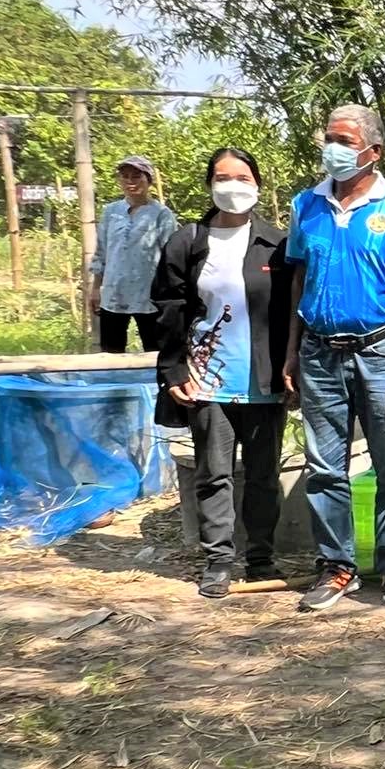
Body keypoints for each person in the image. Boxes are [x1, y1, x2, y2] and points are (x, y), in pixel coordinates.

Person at [283, 103, 385, 612]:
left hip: (383, 349)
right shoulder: (307, 205)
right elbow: (298, 280)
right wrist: (291, 352)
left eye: (345, 140)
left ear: (374, 151)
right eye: (330, 138)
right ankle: (336, 566)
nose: (334, 149)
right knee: (325, 466)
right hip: (319, 351)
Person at [152, 148, 291, 598]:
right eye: (223, 177)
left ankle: (261, 557)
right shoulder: (187, 240)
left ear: (257, 184)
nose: (233, 186)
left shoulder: (279, 244)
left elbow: (292, 313)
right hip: (207, 377)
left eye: (242, 177)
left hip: (264, 379)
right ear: (210, 184)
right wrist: (173, 370)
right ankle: (218, 560)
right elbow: (168, 309)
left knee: (264, 474)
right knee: (214, 472)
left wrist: (295, 371)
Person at [89, 155, 178, 353]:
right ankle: (114, 385)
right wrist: (96, 288)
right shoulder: (111, 211)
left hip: (148, 295)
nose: (130, 182)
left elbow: (170, 257)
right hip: (114, 292)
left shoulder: (161, 214)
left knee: (154, 352)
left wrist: (170, 296)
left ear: (149, 180)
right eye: (125, 177)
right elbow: (102, 251)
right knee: (110, 353)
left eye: (137, 177)